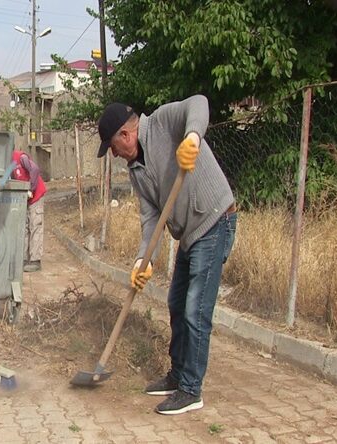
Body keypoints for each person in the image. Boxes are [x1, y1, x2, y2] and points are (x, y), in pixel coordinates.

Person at [97, 95, 237, 415]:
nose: (115, 155)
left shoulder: (162, 122)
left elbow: (199, 103)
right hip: (190, 234)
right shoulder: (137, 170)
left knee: (195, 309)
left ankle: (191, 389)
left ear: (126, 134)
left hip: (215, 220)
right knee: (176, 303)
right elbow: (151, 219)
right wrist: (142, 261)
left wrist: (192, 137)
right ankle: (178, 374)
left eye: (113, 147)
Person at [11, 149, 46, 272]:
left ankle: (35, 260)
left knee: (35, 225)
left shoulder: (20, 158)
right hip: (23, 199)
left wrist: (31, 189)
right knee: (24, 227)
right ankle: (25, 258)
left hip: (35, 195)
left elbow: (35, 169)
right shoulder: (7, 165)